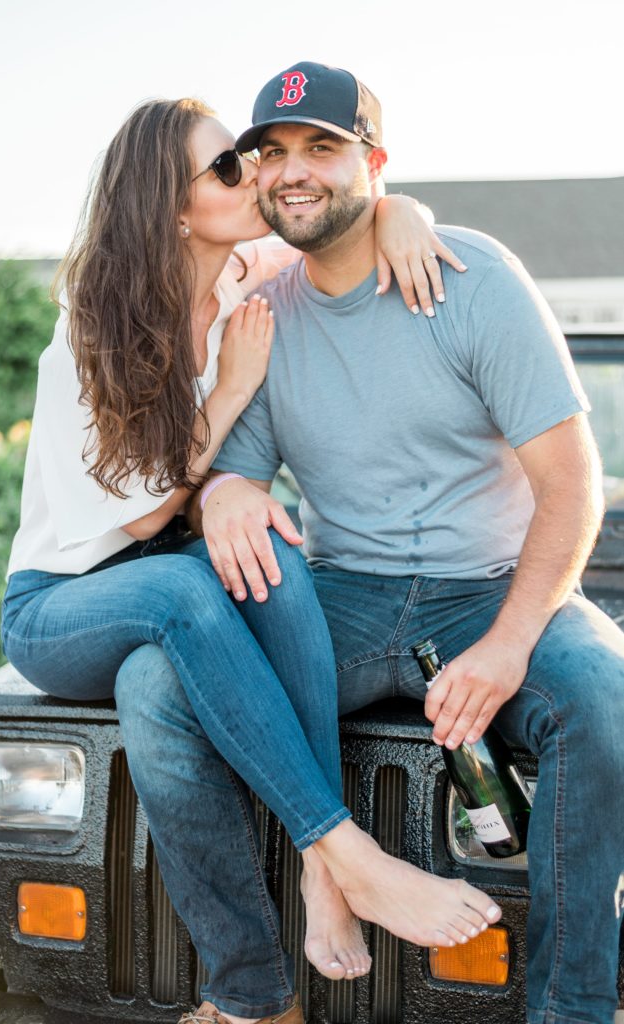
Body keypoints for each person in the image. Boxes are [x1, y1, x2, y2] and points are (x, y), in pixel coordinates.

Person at [0, 96, 501, 1024]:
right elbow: (150, 517)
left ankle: (253, 1001)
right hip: (62, 606)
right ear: (172, 204)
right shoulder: (90, 330)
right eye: (227, 165)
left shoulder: (246, 274)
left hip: (169, 612)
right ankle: (341, 857)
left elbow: (352, 216)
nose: (254, 173)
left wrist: (404, 213)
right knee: (191, 580)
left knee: (239, 599)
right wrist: (228, 390)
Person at [191, 62, 624, 1024]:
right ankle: (250, 991)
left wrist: (509, 644)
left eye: (322, 149)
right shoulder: (262, 315)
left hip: (492, 585)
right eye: (272, 153)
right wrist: (223, 490)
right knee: (178, 691)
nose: (293, 171)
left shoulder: (473, 281)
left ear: (374, 164)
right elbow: (234, 466)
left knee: (600, 696)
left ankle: (573, 1007)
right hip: (343, 593)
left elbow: (571, 485)